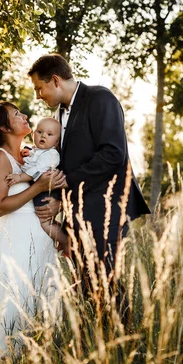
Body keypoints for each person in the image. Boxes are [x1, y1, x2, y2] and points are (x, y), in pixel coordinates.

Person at [28, 54, 150, 322]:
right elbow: (65, 163)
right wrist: (58, 198)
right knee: (85, 282)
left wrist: (68, 183)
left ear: (56, 80)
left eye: (40, 88)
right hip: (79, 210)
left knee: (106, 280)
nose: (38, 95)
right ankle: (98, 345)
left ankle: (126, 345)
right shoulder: (59, 113)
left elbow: (112, 154)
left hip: (106, 207)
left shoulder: (100, 98)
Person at [0, 101, 64, 360]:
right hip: (14, 245)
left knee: (43, 304)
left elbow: (47, 189)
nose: (24, 115)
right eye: (17, 114)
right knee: (15, 306)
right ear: (5, 127)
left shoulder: (31, 155)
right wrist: (38, 187)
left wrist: (56, 201)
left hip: (40, 242)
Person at [4, 117, 68, 252]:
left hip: (46, 192)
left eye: (49, 134)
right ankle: (59, 231)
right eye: (40, 132)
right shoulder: (37, 151)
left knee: (45, 223)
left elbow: (36, 171)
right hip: (40, 190)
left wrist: (19, 177)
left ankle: (66, 242)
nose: (43, 135)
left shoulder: (51, 155)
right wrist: (26, 153)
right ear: (33, 135)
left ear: (56, 142)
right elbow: (31, 158)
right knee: (46, 221)